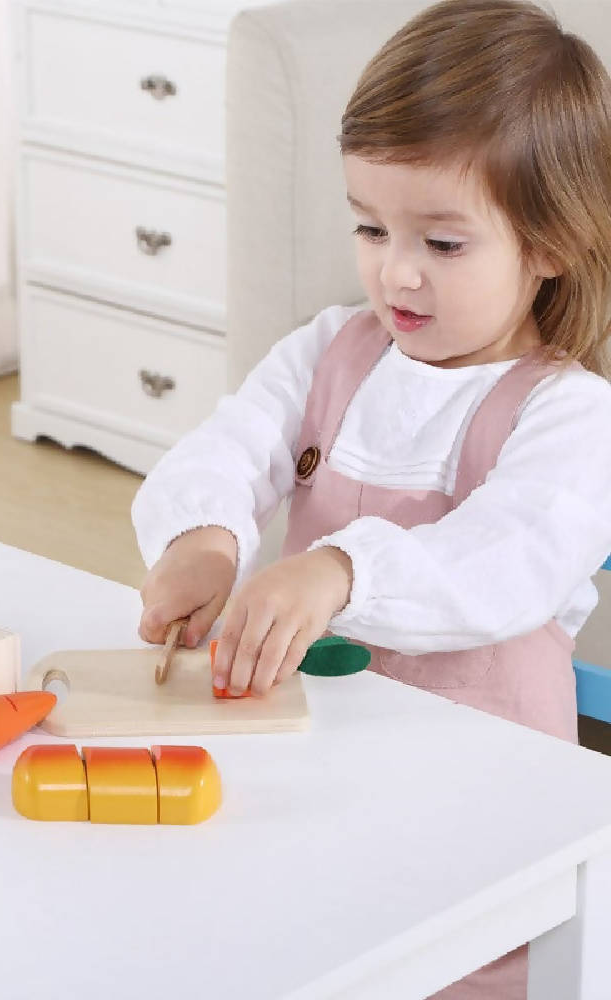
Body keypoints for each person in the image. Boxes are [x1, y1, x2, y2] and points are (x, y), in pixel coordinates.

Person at [132, 2, 611, 993]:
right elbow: (230, 444)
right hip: (320, 757)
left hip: (479, 806)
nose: (395, 271)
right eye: (370, 225)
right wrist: (204, 536)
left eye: (443, 243)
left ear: (551, 243)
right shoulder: (329, 348)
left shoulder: (569, 413)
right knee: (314, 936)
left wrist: (338, 570)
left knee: (447, 961)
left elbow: (507, 560)